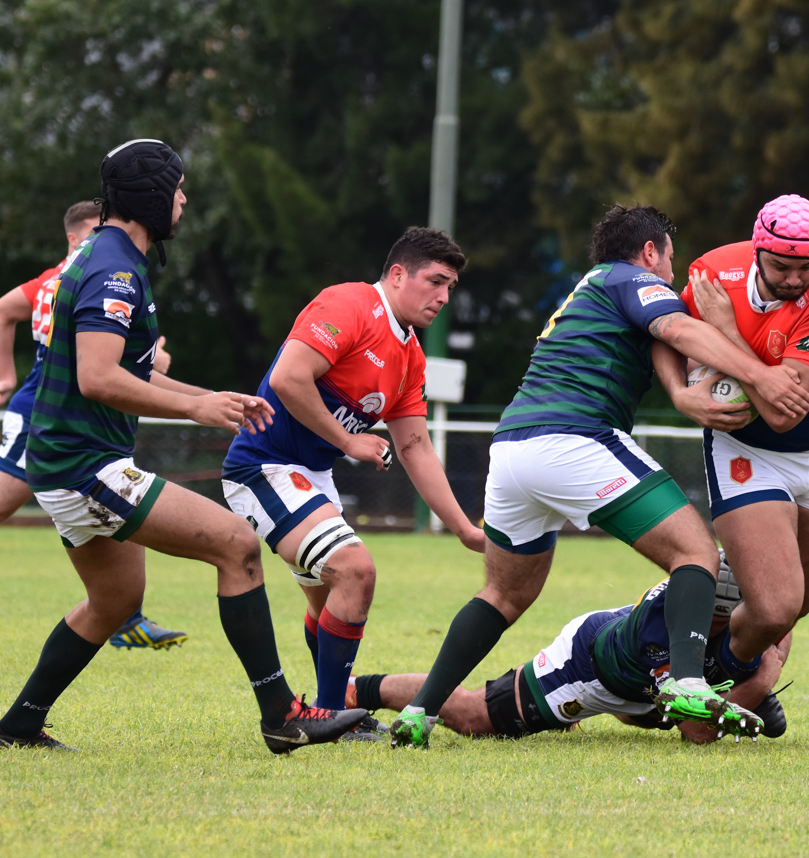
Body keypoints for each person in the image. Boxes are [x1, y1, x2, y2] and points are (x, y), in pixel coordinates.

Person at [388, 204, 809, 748]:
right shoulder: (630, 278)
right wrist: (760, 377)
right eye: (670, 261)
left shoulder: (594, 288)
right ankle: (686, 682)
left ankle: (419, 713)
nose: (672, 276)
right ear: (649, 251)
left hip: (513, 449)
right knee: (696, 553)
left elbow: (663, 342)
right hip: (575, 438)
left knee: (502, 594)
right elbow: (678, 327)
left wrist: (684, 392)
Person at [0, 138, 366, 751]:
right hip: (83, 465)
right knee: (238, 545)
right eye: (177, 188)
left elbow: (131, 369)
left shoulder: (105, 254)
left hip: (64, 461)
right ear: (150, 196)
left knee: (114, 601)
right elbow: (98, 376)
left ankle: (18, 725)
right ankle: (282, 715)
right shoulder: (115, 268)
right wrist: (197, 407)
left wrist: (211, 398)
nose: (184, 199)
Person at [221, 228, 484, 740]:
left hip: (311, 477)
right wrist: (348, 440)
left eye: (450, 287)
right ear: (398, 274)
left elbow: (415, 447)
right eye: (435, 282)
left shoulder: (410, 355)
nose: (443, 298)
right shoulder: (350, 304)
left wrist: (463, 529)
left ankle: (331, 704)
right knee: (355, 571)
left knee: (331, 603)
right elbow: (288, 379)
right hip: (262, 466)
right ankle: (328, 717)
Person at [657, 194, 809, 728]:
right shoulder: (712, 271)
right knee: (774, 606)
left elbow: (784, 413)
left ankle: (727, 673)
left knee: (797, 606)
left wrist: (726, 334)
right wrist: (683, 394)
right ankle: (709, 684)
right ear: (757, 251)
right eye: (781, 266)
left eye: (806, 267)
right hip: (748, 451)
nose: (795, 278)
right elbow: (661, 331)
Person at [0, 201, 187, 650]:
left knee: (121, 491)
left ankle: (126, 615)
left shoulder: (85, 273)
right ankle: (124, 614)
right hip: (45, 409)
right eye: (93, 232)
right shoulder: (76, 276)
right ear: (73, 237)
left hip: (74, 409)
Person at [352, 554, 789, 744]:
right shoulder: (663, 629)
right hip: (586, 668)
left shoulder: (743, 612)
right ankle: (358, 692)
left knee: (654, 708)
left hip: (643, 682)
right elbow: (696, 732)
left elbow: (782, 615)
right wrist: (766, 671)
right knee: (471, 716)